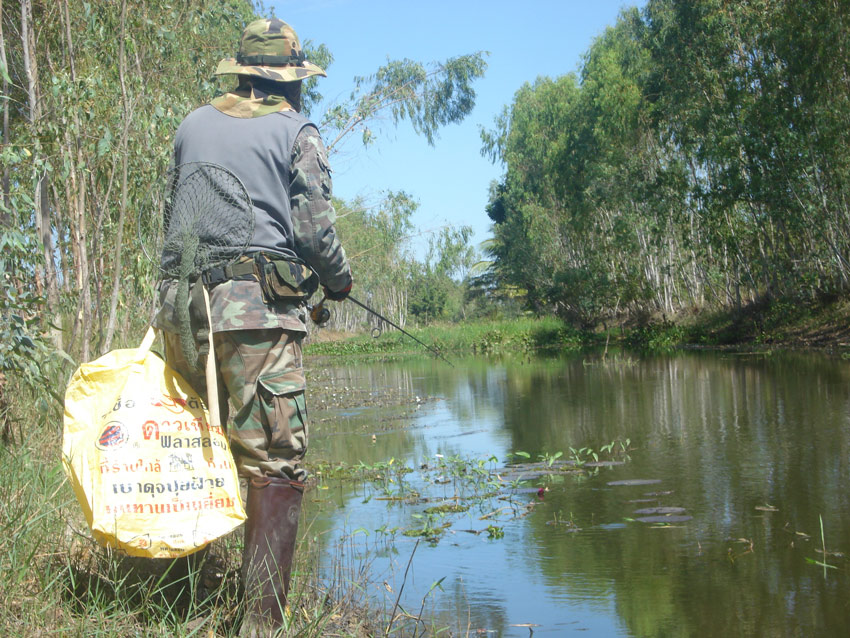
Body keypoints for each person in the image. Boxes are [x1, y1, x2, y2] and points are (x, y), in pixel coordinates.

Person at [154, 17, 352, 635]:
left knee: (189, 450)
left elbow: (173, 215)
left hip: (182, 313)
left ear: (241, 72)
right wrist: (340, 282)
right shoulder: (298, 131)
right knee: (275, 462)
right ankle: (261, 625)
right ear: (289, 80)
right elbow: (315, 233)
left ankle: (176, 602)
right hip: (256, 319)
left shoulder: (191, 124)